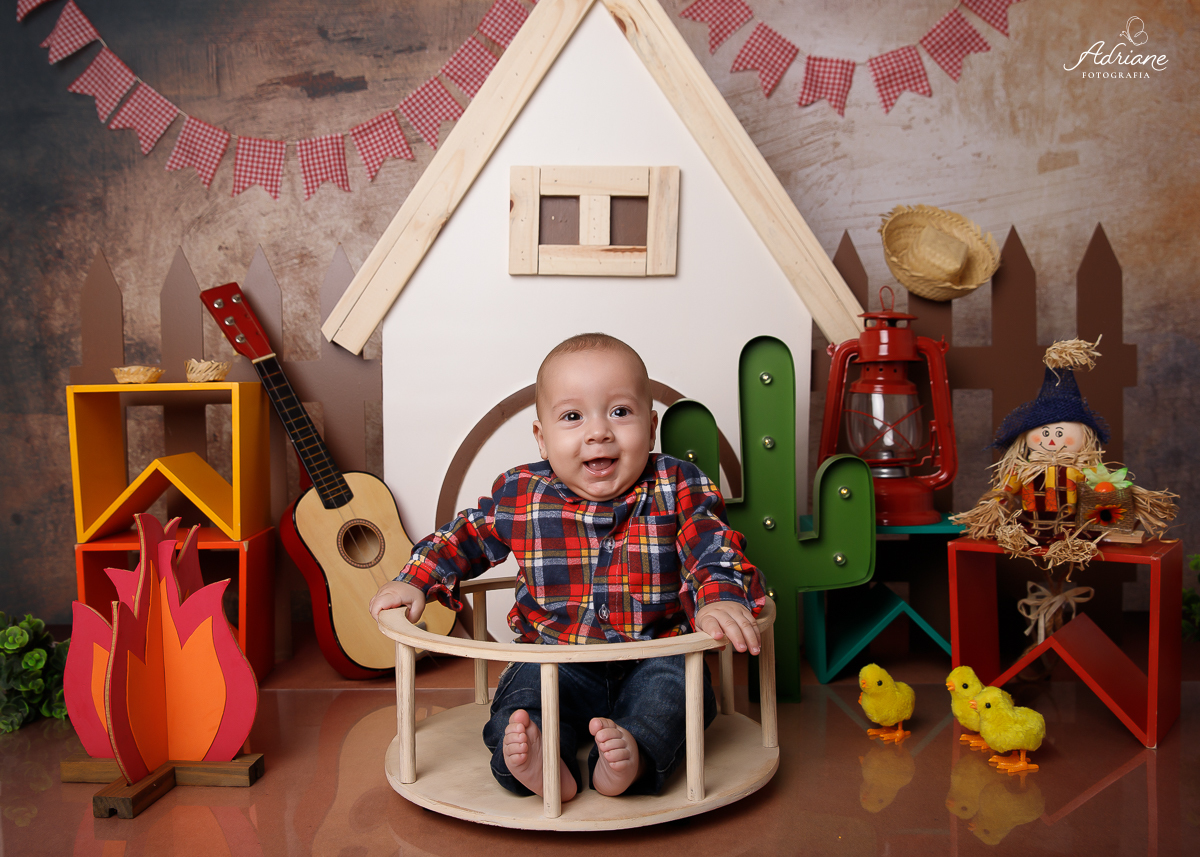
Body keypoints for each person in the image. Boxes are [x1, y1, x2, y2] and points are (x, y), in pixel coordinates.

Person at [369, 332, 766, 801]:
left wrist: (719, 596)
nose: (599, 432)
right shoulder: (522, 493)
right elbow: (465, 536)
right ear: (542, 438)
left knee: (678, 690)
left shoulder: (677, 483)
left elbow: (711, 544)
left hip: (654, 655)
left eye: (620, 412)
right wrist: (416, 579)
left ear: (651, 427)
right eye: (573, 417)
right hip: (556, 661)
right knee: (522, 698)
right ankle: (540, 755)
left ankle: (634, 754)